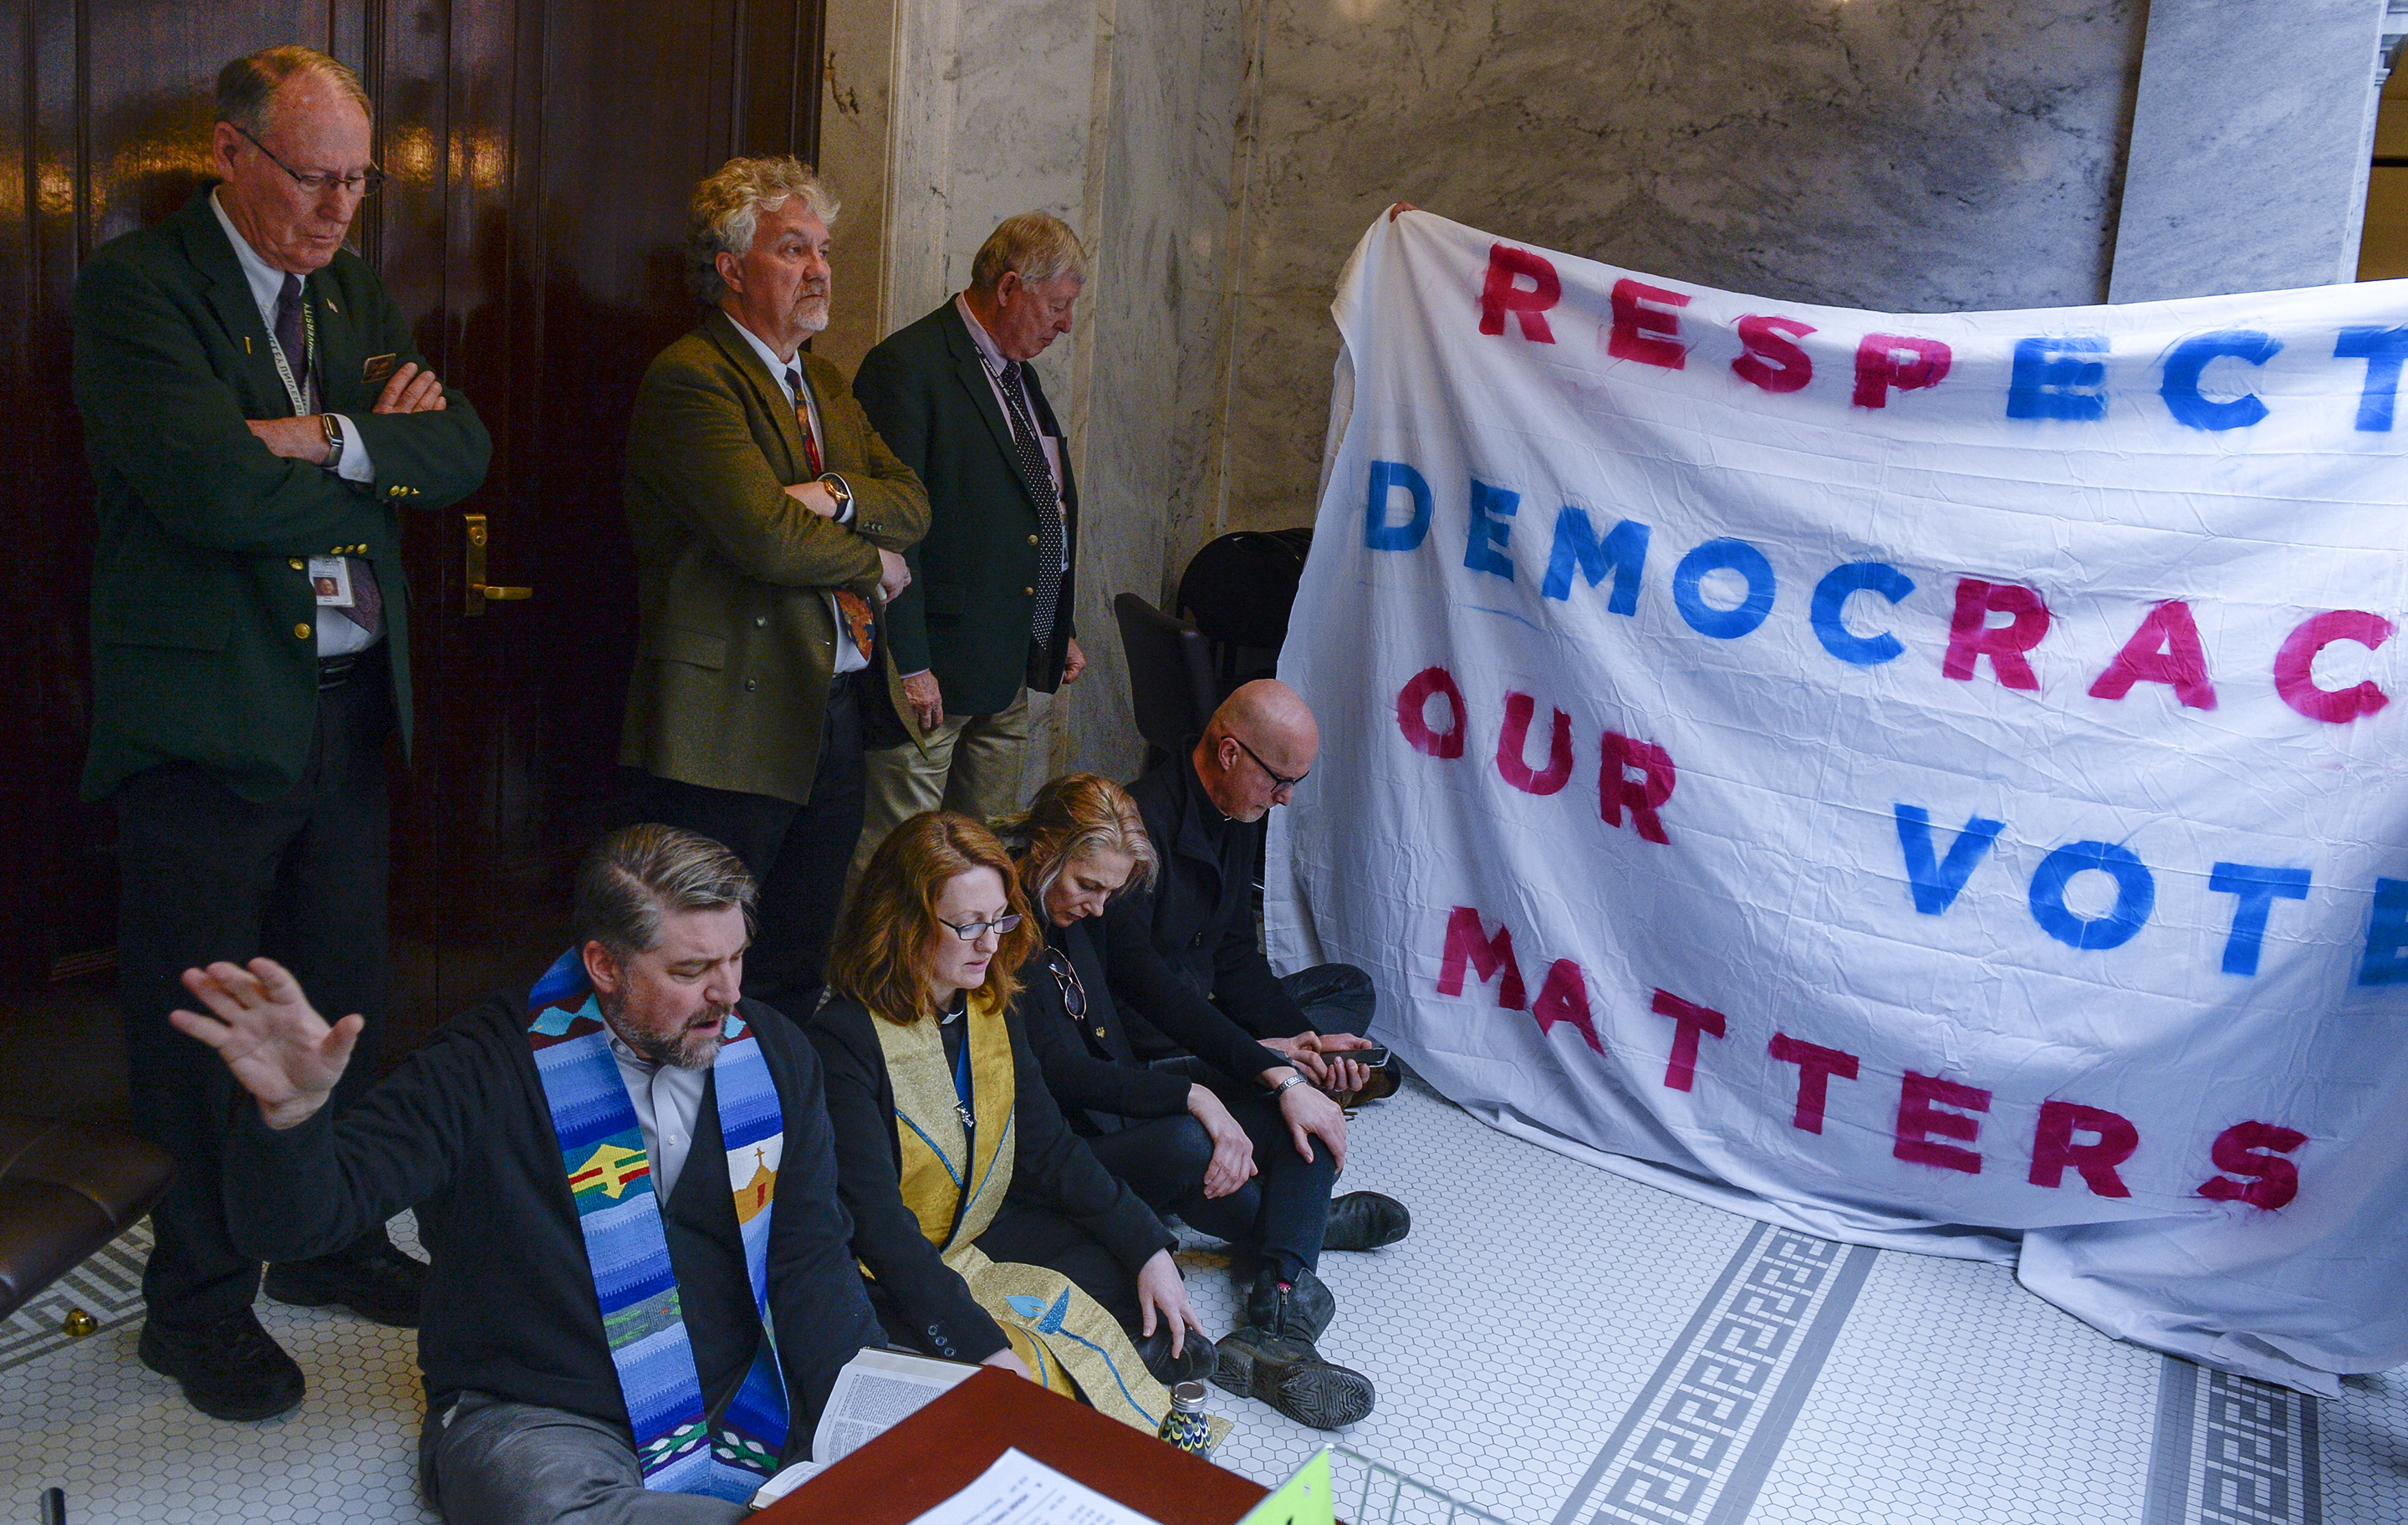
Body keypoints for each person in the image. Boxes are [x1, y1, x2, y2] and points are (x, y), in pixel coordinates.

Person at [72, 44, 492, 1420]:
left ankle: (328, 1234)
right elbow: (200, 486)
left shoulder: (352, 289)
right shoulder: (142, 290)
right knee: (210, 1029)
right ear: (231, 153)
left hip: (351, 711)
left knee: (341, 994)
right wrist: (373, 457)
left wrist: (316, 440)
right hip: (208, 723)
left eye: (358, 180)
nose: (337, 209)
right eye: (313, 177)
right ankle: (196, 1304)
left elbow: (463, 450)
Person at [169, 825, 884, 1524]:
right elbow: (293, 1228)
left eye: (735, 959)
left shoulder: (774, 1051)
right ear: (605, 966)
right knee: (535, 1501)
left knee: (909, 1466)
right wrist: (293, 1117)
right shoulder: (477, 1069)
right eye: (691, 972)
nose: (728, 995)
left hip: (734, 1393)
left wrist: (868, 1417)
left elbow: (810, 1255)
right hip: (550, 1414)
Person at [621, 156, 930, 1019]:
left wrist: (835, 495)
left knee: (799, 956)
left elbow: (911, 501)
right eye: (794, 249)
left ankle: (775, 1142)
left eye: (823, 249)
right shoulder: (693, 377)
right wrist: (872, 562)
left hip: (829, 707)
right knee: (701, 964)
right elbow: (764, 536)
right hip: (727, 729)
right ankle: (692, 1139)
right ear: (731, 268)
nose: (820, 270)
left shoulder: (825, 382)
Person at [1005, 773, 1406, 1429]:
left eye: (1112, 891)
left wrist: (1284, 1077)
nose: (1102, 907)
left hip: (1133, 1104)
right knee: (1190, 1141)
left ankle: (1277, 1318)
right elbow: (1062, 1075)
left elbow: (1168, 997)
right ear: (1043, 852)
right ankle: (1298, 1225)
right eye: (1088, 885)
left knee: (1298, 1118)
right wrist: (1194, 1096)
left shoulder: (1085, 910)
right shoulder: (1006, 934)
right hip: (1078, 1144)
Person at [808, 811, 1213, 1428]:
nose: (992, 943)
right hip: (886, 1270)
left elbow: (1051, 1149)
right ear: (903, 921)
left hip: (975, 1229)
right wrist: (983, 1346)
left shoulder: (987, 1003)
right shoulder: (843, 1038)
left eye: (1000, 919)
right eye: (969, 925)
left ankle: (1161, 1348)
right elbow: (879, 1224)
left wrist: (1149, 1247)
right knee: (997, 1366)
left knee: (1126, 1270)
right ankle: (1143, 1359)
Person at [847, 212, 1089, 874]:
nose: (1066, 325)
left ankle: (954, 975)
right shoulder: (908, 366)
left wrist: (1053, 622)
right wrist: (910, 662)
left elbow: (1035, 505)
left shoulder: (1017, 374)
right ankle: (870, 979)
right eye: (1059, 306)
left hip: (1005, 663)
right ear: (1010, 286)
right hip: (934, 671)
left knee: (975, 854)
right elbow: (892, 530)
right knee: (900, 853)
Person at [1106, 680, 1386, 1096]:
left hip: (1205, 1014)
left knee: (1351, 988)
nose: (1286, 798)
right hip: (1154, 1038)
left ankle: (1294, 1071)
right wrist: (1254, 1054)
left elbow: (1234, 955)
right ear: (1229, 753)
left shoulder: (1238, 811)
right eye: (1279, 781)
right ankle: (1279, 1080)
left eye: (1296, 781)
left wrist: (1304, 1039)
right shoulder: (1137, 827)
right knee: (1307, 1150)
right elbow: (1140, 986)